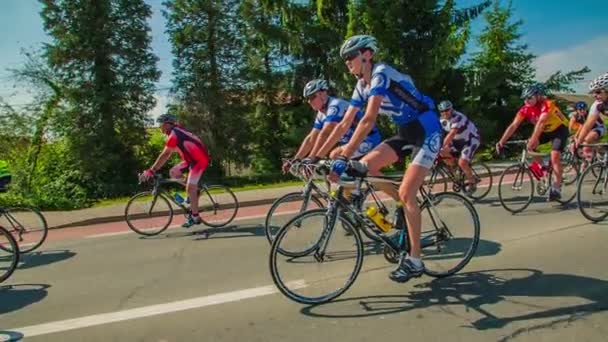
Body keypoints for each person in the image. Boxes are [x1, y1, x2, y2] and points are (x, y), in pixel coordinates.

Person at [309, 35, 442, 283]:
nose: (347, 62)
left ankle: (415, 260)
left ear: (367, 55)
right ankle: (399, 213)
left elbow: (368, 119)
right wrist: (317, 157)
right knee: (365, 167)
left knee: (407, 193)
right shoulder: (361, 86)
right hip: (406, 133)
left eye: (351, 57)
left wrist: (346, 152)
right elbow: (345, 122)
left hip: (427, 130)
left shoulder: (382, 73)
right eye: (345, 59)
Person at [282, 79, 381, 173]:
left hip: (368, 139)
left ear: (322, 94)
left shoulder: (335, 105)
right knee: (348, 177)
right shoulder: (321, 114)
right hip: (352, 143)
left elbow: (325, 133)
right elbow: (311, 138)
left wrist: (313, 158)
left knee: (335, 156)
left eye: (312, 97)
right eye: (307, 99)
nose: (309, 101)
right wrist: (296, 159)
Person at [496, 84, 569, 201]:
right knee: (530, 147)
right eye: (524, 98)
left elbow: (541, 123)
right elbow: (514, 125)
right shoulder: (525, 108)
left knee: (554, 156)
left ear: (538, 96)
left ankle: (556, 188)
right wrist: (502, 141)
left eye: (529, 98)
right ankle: (543, 168)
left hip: (559, 130)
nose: (526, 101)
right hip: (545, 131)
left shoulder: (547, 104)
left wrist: (534, 139)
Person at [140, 114, 210, 228]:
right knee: (173, 172)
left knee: (190, 187)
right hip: (190, 160)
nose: (160, 127)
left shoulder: (174, 135)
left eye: (161, 125)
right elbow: (166, 154)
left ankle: (195, 217)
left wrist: (151, 170)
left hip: (198, 160)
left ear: (168, 124)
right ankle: (194, 192)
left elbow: (165, 155)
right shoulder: (175, 132)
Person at [437, 100, 481, 192]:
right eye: (442, 111)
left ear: (451, 109)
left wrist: (441, 145)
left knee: (462, 162)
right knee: (442, 152)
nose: (445, 113)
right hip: (457, 141)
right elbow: (437, 133)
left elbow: (451, 134)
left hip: (470, 140)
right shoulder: (441, 119)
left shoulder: (458, 117)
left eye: (447, 110)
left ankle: (472, 182)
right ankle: (456, 168)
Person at [575, 73, 608, 160]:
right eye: (593, 93)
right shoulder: (598, 104)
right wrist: (579, 140)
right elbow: (588, 124)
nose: (594, 95)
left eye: (598, 92)